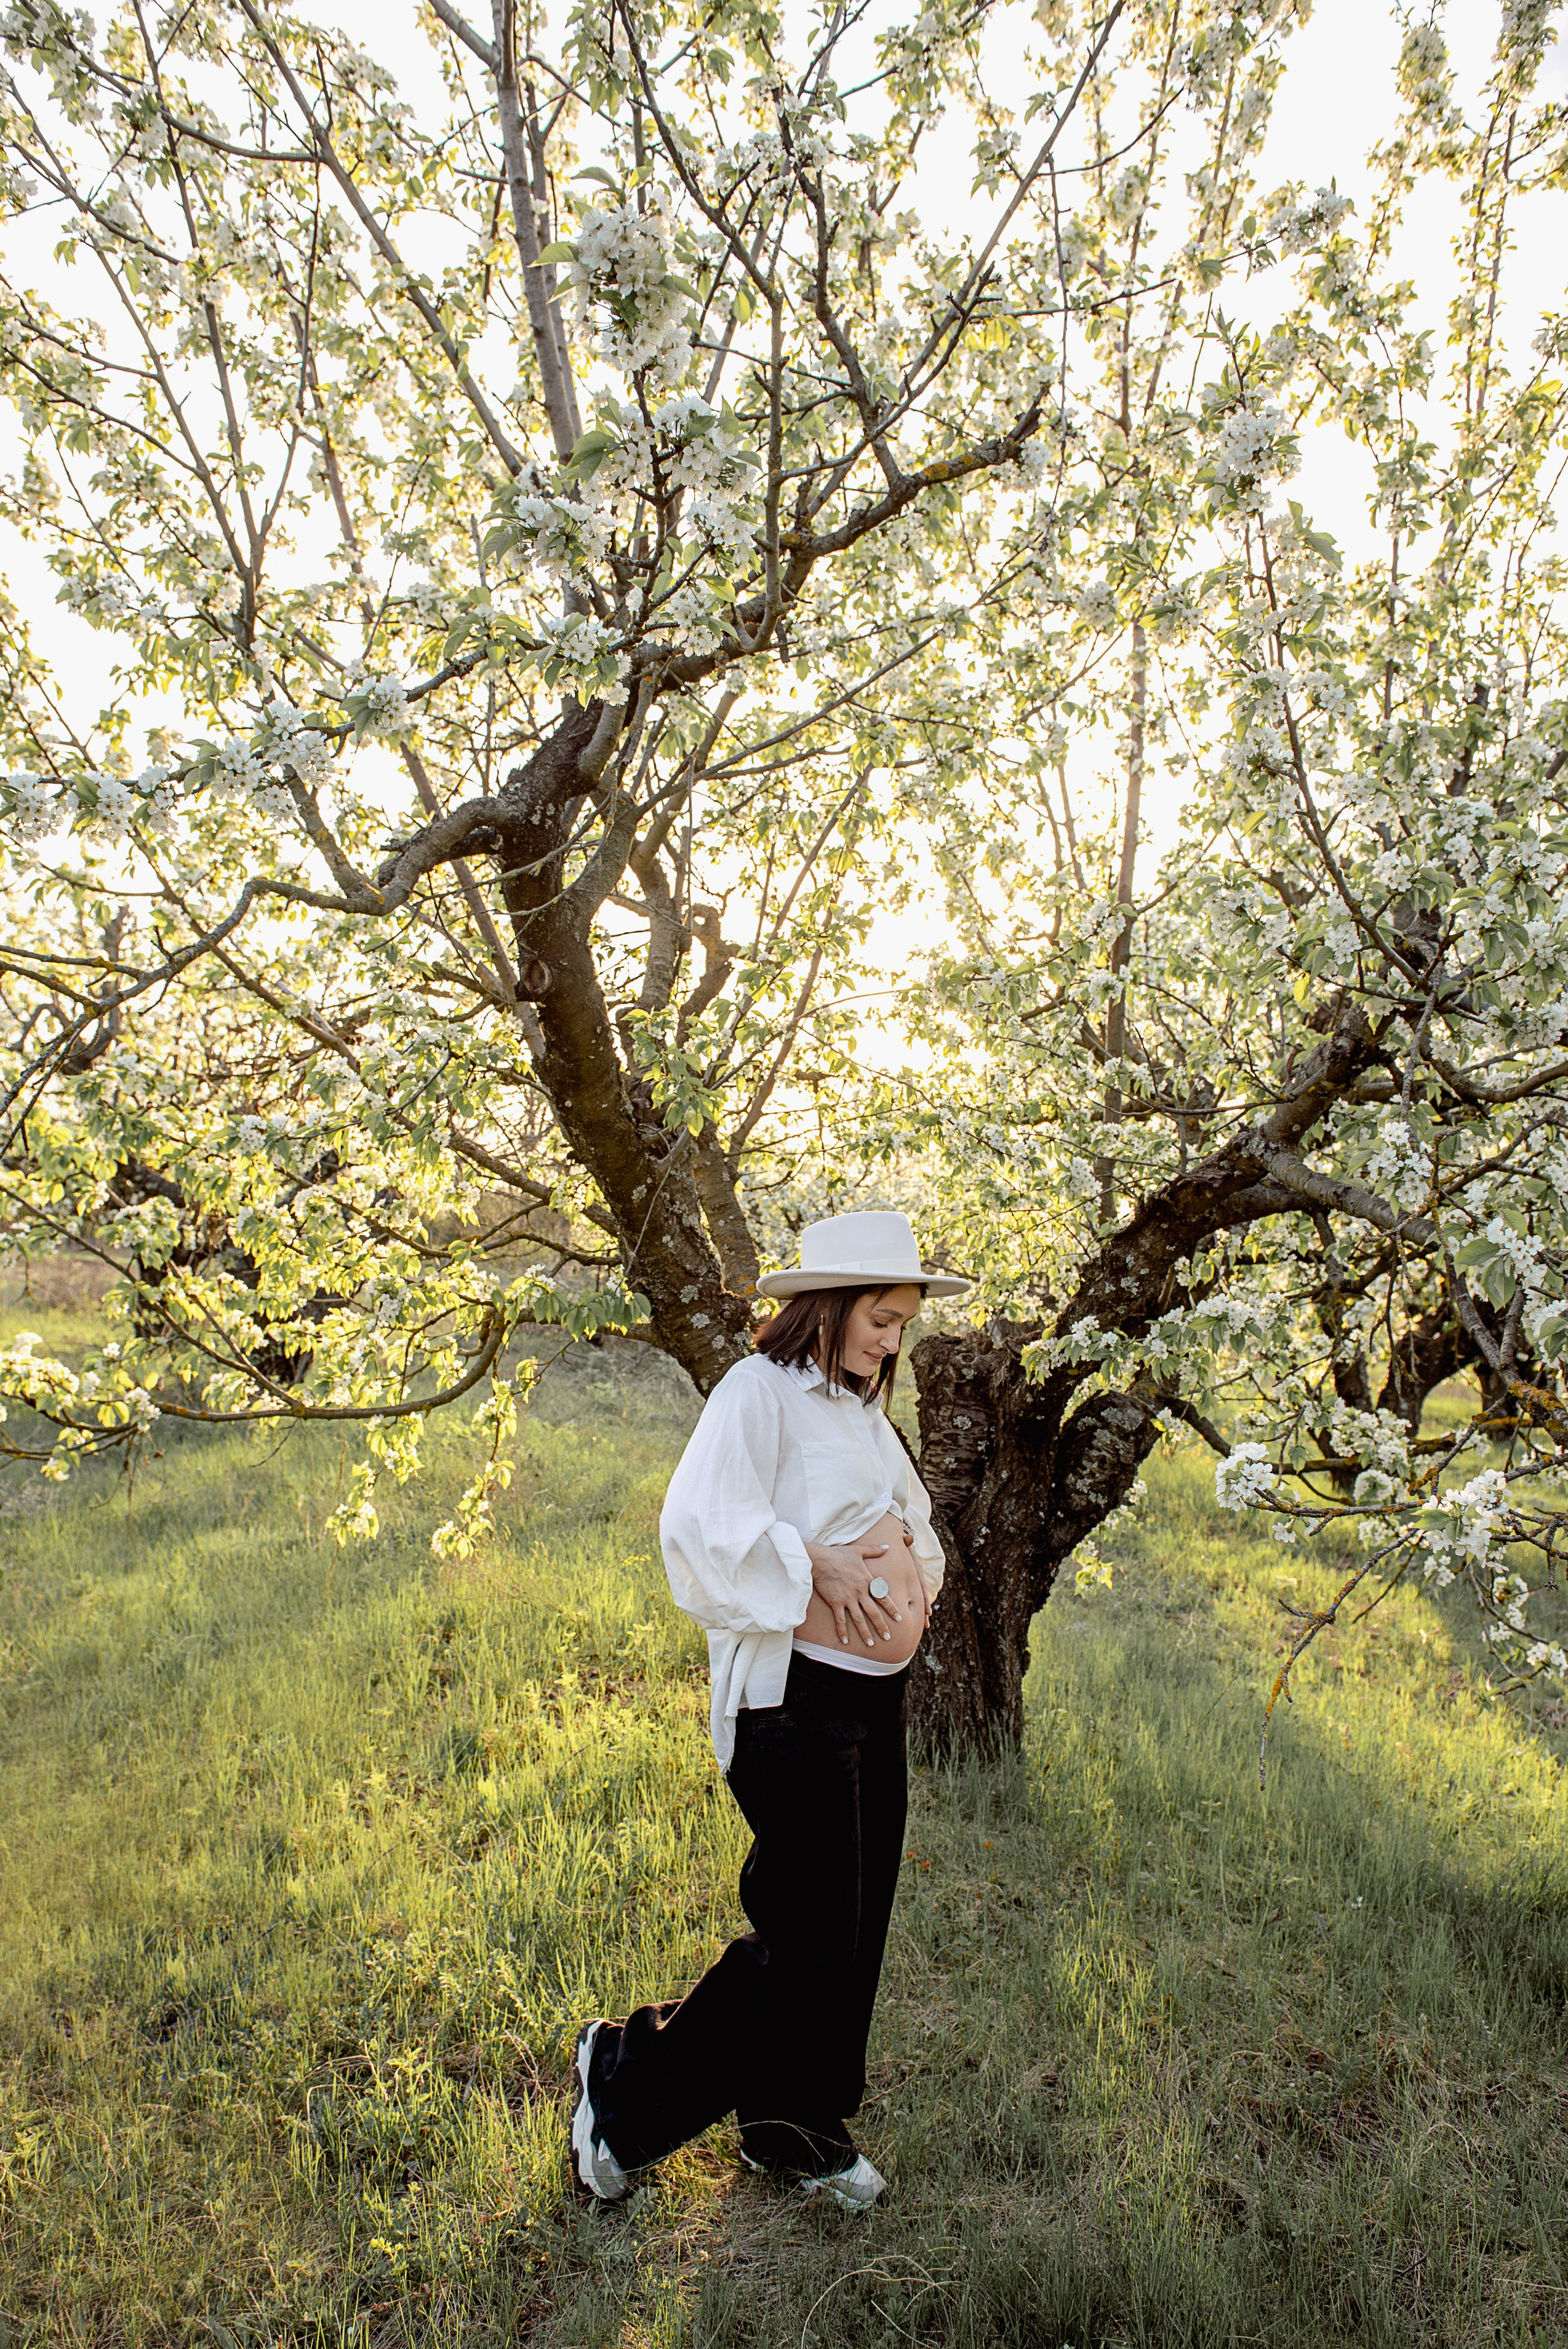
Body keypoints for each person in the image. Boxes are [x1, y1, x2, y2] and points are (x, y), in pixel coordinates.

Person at [567, 1210, 970, 2211]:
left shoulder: (856, 1408)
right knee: (807, 1938)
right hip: (793, 1702)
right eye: (881, 1317)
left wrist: (906, 1581)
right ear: (826, 1307)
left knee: (858, 1919)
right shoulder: (759, 1394)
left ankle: (791, 2128)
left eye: (903, 1321)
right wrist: (816, 1563)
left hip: (874, 1699)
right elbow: (699, 1526)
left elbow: (901, 1520)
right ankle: (623, 2082)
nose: (892, 1339)